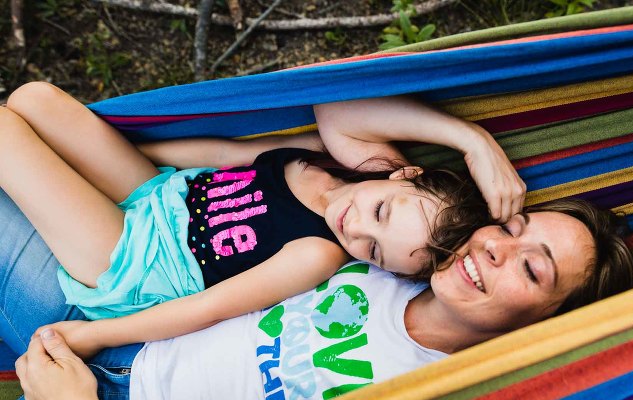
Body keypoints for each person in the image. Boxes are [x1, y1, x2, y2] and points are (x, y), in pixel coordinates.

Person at [0, 182, 633, 400]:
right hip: (120, 325)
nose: (497, 246)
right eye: (515, 227)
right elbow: (341, 111)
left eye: (533, 270)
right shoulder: (389, 260)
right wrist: (472, 142)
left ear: (545, 327)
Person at [0, 83, 523, 349]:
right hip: (159, 194)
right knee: (34, 99)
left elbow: (210, 308)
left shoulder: (316, 253)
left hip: (139, 263)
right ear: (401, 174)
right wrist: (470, 139)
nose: (356, 228)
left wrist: (94, 337)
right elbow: (240, 150)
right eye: (381, 211)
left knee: (4, 131)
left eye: (374, 251)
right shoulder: (335, 160)